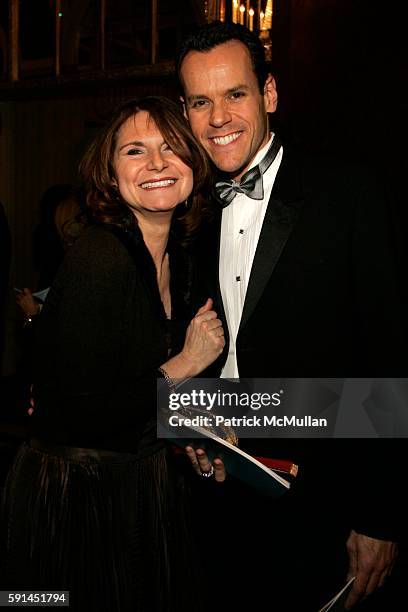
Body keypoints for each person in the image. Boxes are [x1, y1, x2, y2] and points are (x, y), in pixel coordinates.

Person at [176, 21, 405, 611]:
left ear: (269, 95)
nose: (218, 117)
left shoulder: (346, 193)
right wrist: (192, 433)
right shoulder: (186, 210)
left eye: (236, 94)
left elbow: (386, 354)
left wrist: (380, 515)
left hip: (322, 508)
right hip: (213, 503)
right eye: (201, 101)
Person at [2, 96, 225, 612]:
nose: (155, 164)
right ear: (109, 172)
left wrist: (204, 437)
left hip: (140, 486)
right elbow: (82, 413)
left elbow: (133, 389)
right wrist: (185, 363)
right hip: (76, 497)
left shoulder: (181, 257)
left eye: (171, 147)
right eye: (134, 151)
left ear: (193, 160)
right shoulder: (99, 254)